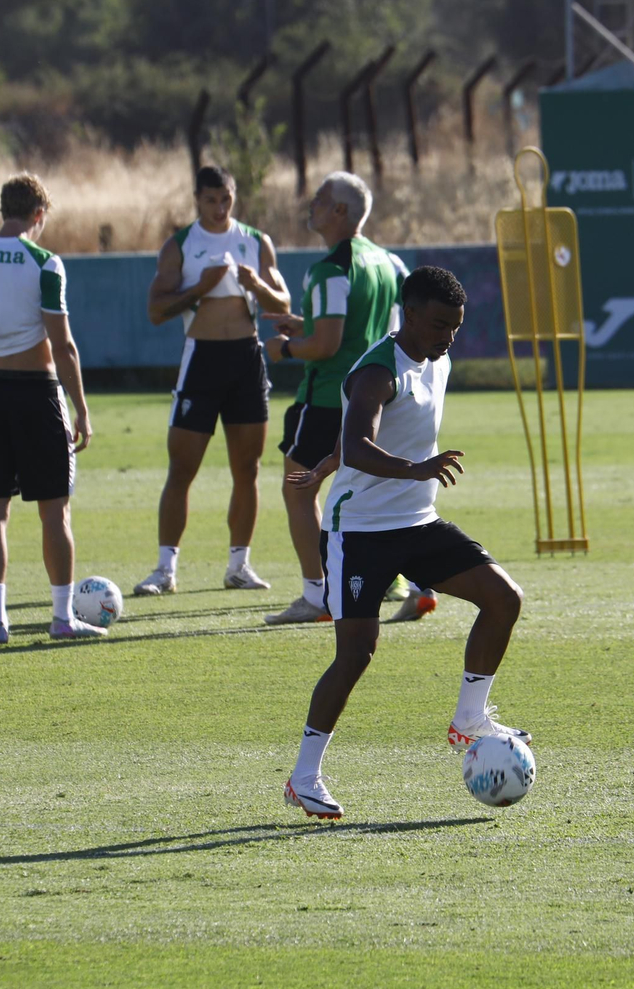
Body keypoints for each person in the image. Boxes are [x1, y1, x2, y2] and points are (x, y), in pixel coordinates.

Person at [281, 267, 529, 819]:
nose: (449, 337)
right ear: (408, 315)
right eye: (440, 324)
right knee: (356, 654)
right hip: (359, 532)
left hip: (417, 523)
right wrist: (414, 469)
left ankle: (469, 720)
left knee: (504, 598)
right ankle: (303, 777)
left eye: (457, 327)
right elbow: (360, 441)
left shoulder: (436, 359)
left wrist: (326, 466)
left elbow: (354, 443)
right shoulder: (377, 370)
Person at [0, 174, 104, 643]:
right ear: (39, 215)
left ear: (4, 209)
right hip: (38, 394)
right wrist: (81, 407)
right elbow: (64, 344)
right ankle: (61, 618)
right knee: (54, 512)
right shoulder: (45, 264)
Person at [137, 165, 290, 596]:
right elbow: (155, 310)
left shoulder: (255, 242)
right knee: (182, 467)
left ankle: (239, 566)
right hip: (201, 360)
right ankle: (165, 569)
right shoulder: (181, 245)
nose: (220, 208)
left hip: (246, 359)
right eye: (211, 200)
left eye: (227, 198)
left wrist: (257, 284)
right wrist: (199, 290)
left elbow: (282, 303)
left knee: (248, 468)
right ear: (196, 200)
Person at [260, 172, 403, 625]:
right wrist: (304, 326)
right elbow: (357, 328)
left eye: (320, 199)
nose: (312, 205)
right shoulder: (383, 260)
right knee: (368, 492)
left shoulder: (330, 269)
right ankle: (388, 582)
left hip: (328, 396)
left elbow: (326, 346)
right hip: (378, 394)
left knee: (299, 490)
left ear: (340, 211)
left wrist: (284, 348)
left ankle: (316, 594)